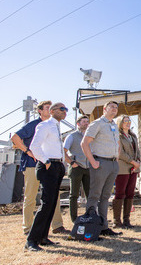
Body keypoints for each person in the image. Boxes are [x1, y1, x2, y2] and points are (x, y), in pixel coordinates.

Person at [11, 100, 67, 236]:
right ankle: (28, 228)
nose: (49, 110)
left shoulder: (55, 126)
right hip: (32, 164)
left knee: (53, 197)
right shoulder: (34, 125)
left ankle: (57, 226)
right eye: (47, 108)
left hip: (50, 166)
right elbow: (15, 137)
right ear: (40, 111)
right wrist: (27, 151)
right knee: (30, 197)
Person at [25, 102, 68, 251]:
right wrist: (46, 161)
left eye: (66, 110)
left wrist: (61, 164)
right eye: (62, 109)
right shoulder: (45, 125)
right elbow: (34, 146)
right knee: (46, 203)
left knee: (51, 203)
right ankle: (31, 240)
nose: (65, 112)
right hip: (47, 166)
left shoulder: (56, 127)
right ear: (53, 111)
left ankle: (43, 237)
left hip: (57, 166)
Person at [81, 101, 122, 236]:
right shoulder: (97, 123)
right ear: (105, 109)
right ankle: (90, 228)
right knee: (94, 195)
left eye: (116, 107)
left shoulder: (114, 125)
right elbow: (85, 143)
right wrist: (92, 161)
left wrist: (116, 159)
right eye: (111, 107)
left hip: (112, 164)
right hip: (100, 163)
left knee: (106, 196)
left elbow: (117, 143)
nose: (114, 109)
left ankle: (104, 227)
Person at [113, 115, 141, 229]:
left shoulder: (133, 136)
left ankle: (126, 219)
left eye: (129, 121)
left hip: (133, 169)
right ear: (120, 123)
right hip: (123, 168)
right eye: (125, 121)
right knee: (120, 193)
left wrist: (138, 161)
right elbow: (121, 153)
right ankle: (116, 221)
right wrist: (133, 161)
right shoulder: (118, 136)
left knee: (130, 193)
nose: (128, 123)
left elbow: (137, 150)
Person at [64, 115, 91, 223]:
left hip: (88, 167)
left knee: (90, 194)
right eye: (84, 121)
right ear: (78, 124)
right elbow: (63, 150)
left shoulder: (90, 137)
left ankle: (90, 216)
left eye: (87, 122)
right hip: (76, 168)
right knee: (74, 195)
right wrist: (71, 162)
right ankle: (74, 219)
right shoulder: (72, 136)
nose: (86, 123)